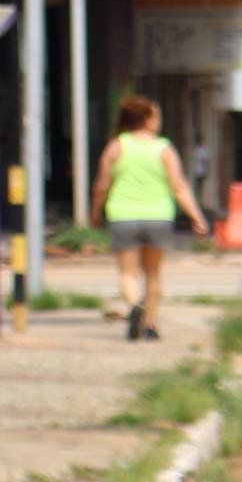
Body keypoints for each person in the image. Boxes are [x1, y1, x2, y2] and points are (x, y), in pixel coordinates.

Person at [91, 95, 208, 344]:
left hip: (123, 216)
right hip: (158, 216)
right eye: (156, 116)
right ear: (146, 119)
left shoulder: (116, 147)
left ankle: (135, 305)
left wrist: (94, 214)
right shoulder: (164, 149)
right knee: (153, 274)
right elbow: (179, 187)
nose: (159, 121)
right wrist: (196, 217)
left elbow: (101, 186)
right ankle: (150, 326)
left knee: (127, 273)